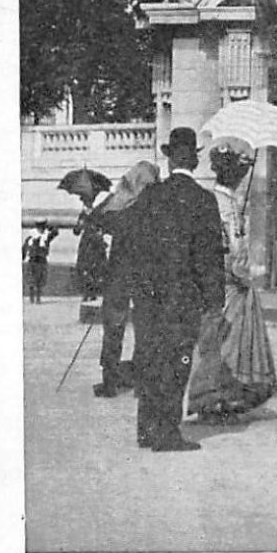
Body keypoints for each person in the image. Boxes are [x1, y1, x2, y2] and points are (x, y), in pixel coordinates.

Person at [133, 127, 226, 452]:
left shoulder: (149, 196)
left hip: (149, 295)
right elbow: (210, 257)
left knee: (149, 357)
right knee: (177, 361)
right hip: (183, 297)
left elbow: (137, 246)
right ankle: (167, 432)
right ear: (195, 161)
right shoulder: (203, 200)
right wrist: (215, 299)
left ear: (170, 159)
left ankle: (146, 428)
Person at [186, 146, 277, 421]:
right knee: (225, 342)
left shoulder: (224, 202)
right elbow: (233, 249)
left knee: (226, 341)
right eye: (238, 174)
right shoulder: (223, 205)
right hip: (229, 281)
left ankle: (224, 396)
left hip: (227, 280)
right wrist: (243, 272)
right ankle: (213, 398)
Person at [92, 160, 160, 399]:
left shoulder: (119, 204)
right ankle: (142, 383)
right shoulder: (154, 206)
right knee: (145, 326)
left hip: (118, 273)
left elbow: (97, 218)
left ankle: (109, 380)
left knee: (113, 326)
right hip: (146, 273)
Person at [73, 194, 108, 302]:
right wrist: (79, 224)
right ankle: (86, 291)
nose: (87, 204)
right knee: (84, 266)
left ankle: (92, 292)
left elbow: (103, 226)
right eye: (85, 202)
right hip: (85, 242)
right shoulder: (82, 215)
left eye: (89, 202)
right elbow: (76, 231)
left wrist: (99, 231)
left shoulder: (97, 213)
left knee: (95, 267)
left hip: (95, 243)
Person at [22, 220, 59, 304]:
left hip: (41, 259)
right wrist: (23, 256)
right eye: (39, 228)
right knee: (32, 279)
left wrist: (49, 228)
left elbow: (55, 232)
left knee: (40, 280)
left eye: (42, 227)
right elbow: (25, 247)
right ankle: (32, 298)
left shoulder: (46, 237)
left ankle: (38, 298)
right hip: (33, 259)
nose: (41, 229)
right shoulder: (31, 237)